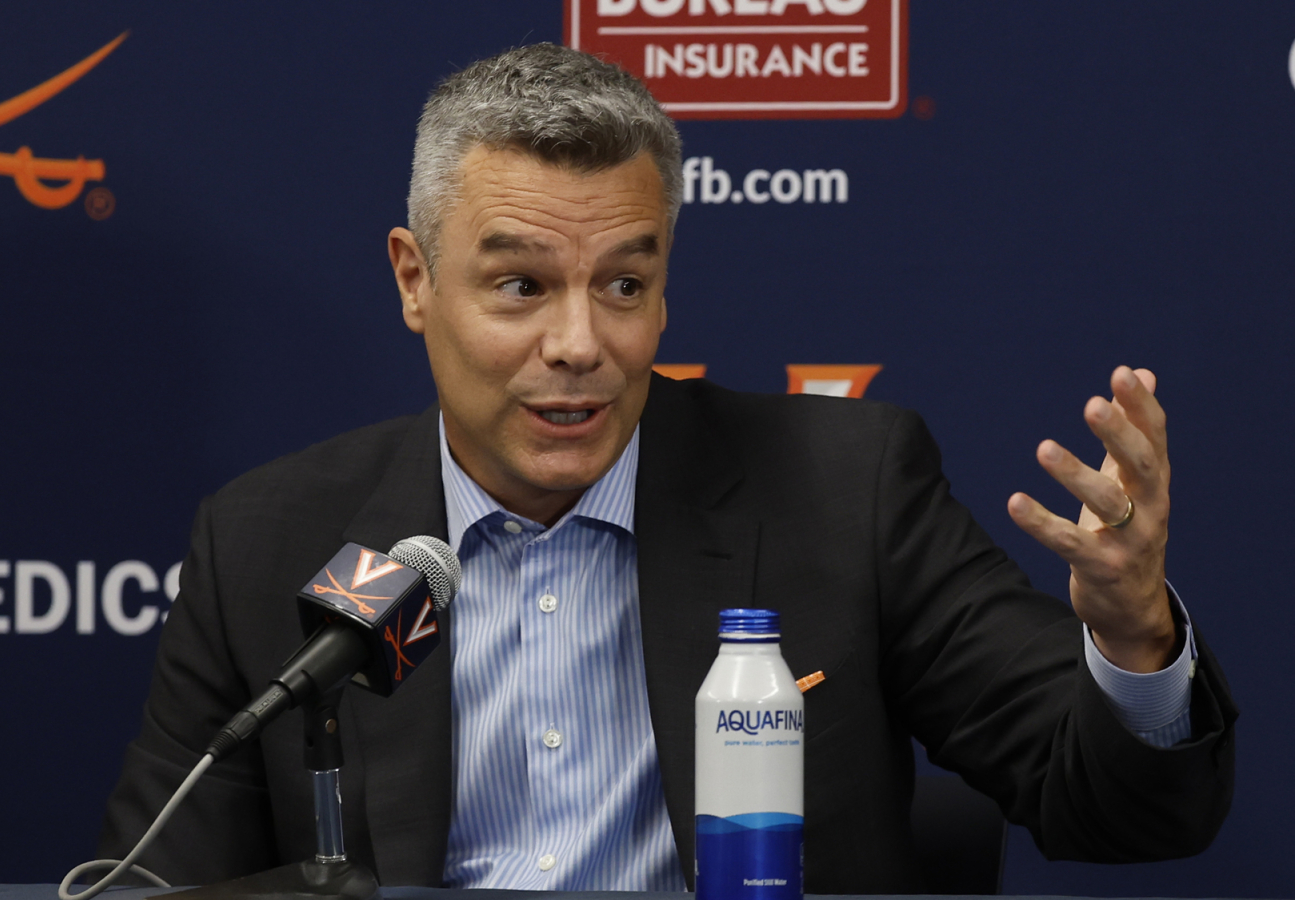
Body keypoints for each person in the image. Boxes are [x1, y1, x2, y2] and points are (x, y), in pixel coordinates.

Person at [99, 44, 1235, 893]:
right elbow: (158, 880)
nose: (579, 344)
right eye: (521, 286)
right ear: (414, 279)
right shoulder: (269, 541)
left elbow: (1118, 810)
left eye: (624, 285)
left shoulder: (844, 490)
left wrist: (1135, 640)